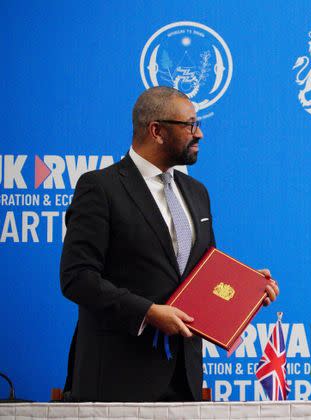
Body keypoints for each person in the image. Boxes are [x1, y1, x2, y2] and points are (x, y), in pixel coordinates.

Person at [60, 86, 279, 402]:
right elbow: (77, 278)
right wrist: (148, 312)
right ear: (156, 130)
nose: (199, 134)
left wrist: (247, 288)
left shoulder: (196, 192)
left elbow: (204, 275)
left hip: (184, 378)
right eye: (190, 124)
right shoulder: (100, 188)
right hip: (117, 378)